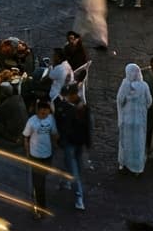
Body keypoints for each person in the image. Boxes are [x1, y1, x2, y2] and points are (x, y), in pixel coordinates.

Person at [54, 83, 90, 211]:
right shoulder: (82, 107)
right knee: (73, 165)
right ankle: (66, 182)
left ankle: (78, 197)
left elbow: (61, 124)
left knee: (74, 170)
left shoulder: (67, 108)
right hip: (78, 142)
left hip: (71, 143)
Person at [22, 98, 58, 218]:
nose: (44, 115)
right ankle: (40, 208)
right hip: (35, 156)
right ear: (37, 111)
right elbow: (26, 137)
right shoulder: (31, 122)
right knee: (39, 184)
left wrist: (54, 147)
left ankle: (37, 201)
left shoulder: (51, 119)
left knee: (41, 181)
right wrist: (27, 154)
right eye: (42, 113)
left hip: (47, 155)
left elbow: (53, 134)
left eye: (46, 113)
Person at [116, 63, 152, 175]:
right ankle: (137, 167)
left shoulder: (125, 84)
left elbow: (120, 101)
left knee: (126, 143)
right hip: (140, 121)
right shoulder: (144, 85)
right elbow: (149, 102)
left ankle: (125, 163)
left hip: (127, 120)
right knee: (139, 144)